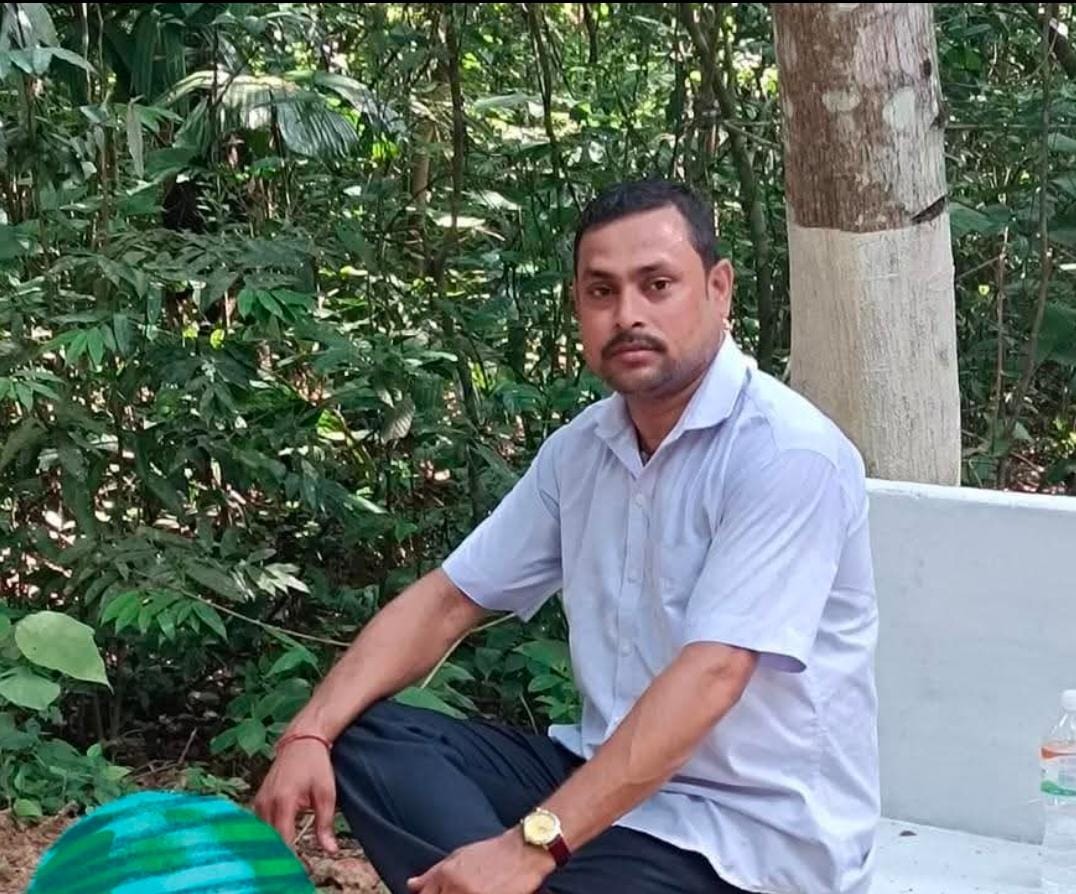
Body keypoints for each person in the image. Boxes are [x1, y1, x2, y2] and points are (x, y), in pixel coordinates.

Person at [253, 179, 880, 894]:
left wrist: (530, 848)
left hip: (747, 836)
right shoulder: (582, 452)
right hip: (604, 788)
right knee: (373, 737)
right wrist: (309, 730)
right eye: (601, 291)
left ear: (718, 289)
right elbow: (450, 600)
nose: (628, 314)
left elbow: (712, 675)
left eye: (657, 285)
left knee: (546, 870)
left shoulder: (784, 453)